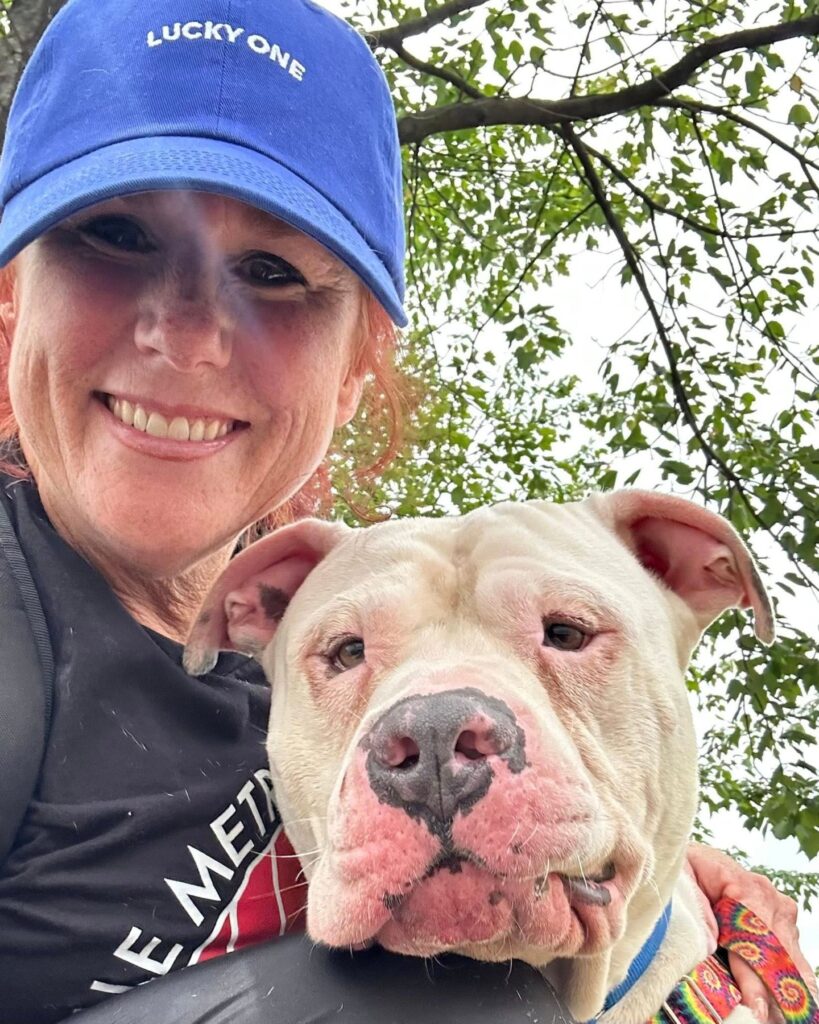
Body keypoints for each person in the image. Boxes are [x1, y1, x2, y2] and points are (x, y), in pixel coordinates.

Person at [0, 0, 811, 1022]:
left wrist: (652, 865)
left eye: (271, 271)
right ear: (11, 299)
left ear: (350, 374)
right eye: (112, 234)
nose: (189, 335)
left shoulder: (294, 635)